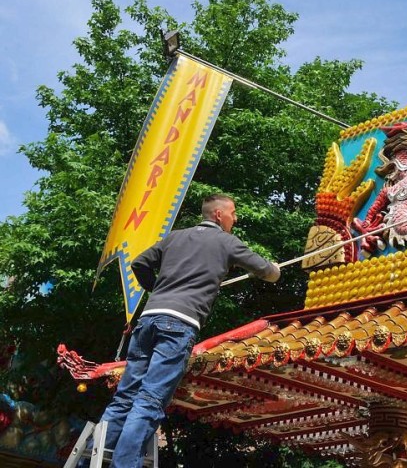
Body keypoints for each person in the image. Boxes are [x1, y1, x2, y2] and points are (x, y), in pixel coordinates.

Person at [98, 194, 280, 468]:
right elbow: (266, 272)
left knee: (126, 395)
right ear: (219, 215)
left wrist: (157, 289)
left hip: (148, 320)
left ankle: (92, 456)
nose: (236, 218)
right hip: (179, 323)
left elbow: (139, 263)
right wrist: (276, 270)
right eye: (233, 212)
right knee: (149, 399)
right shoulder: (227, 242)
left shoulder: (175, 237)